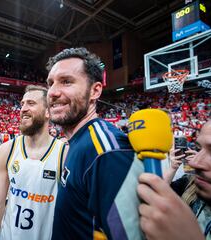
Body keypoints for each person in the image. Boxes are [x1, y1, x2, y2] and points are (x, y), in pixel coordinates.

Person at [46, 47, 143, 239]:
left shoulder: (107, 151)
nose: (53, 92)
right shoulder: (80, 142)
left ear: (95, 90)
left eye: (66, 82)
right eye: (50, 83)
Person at [0, 85, 67, 240]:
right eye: (22, 104)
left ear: (48, 111)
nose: (23, 109)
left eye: (31, 103)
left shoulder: (64, 153)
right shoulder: (6, 150)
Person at [138, 108, 211, 240]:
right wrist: (173, 167)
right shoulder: (191, 183)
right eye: (199, 149)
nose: (194, 162)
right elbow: (159, 193)